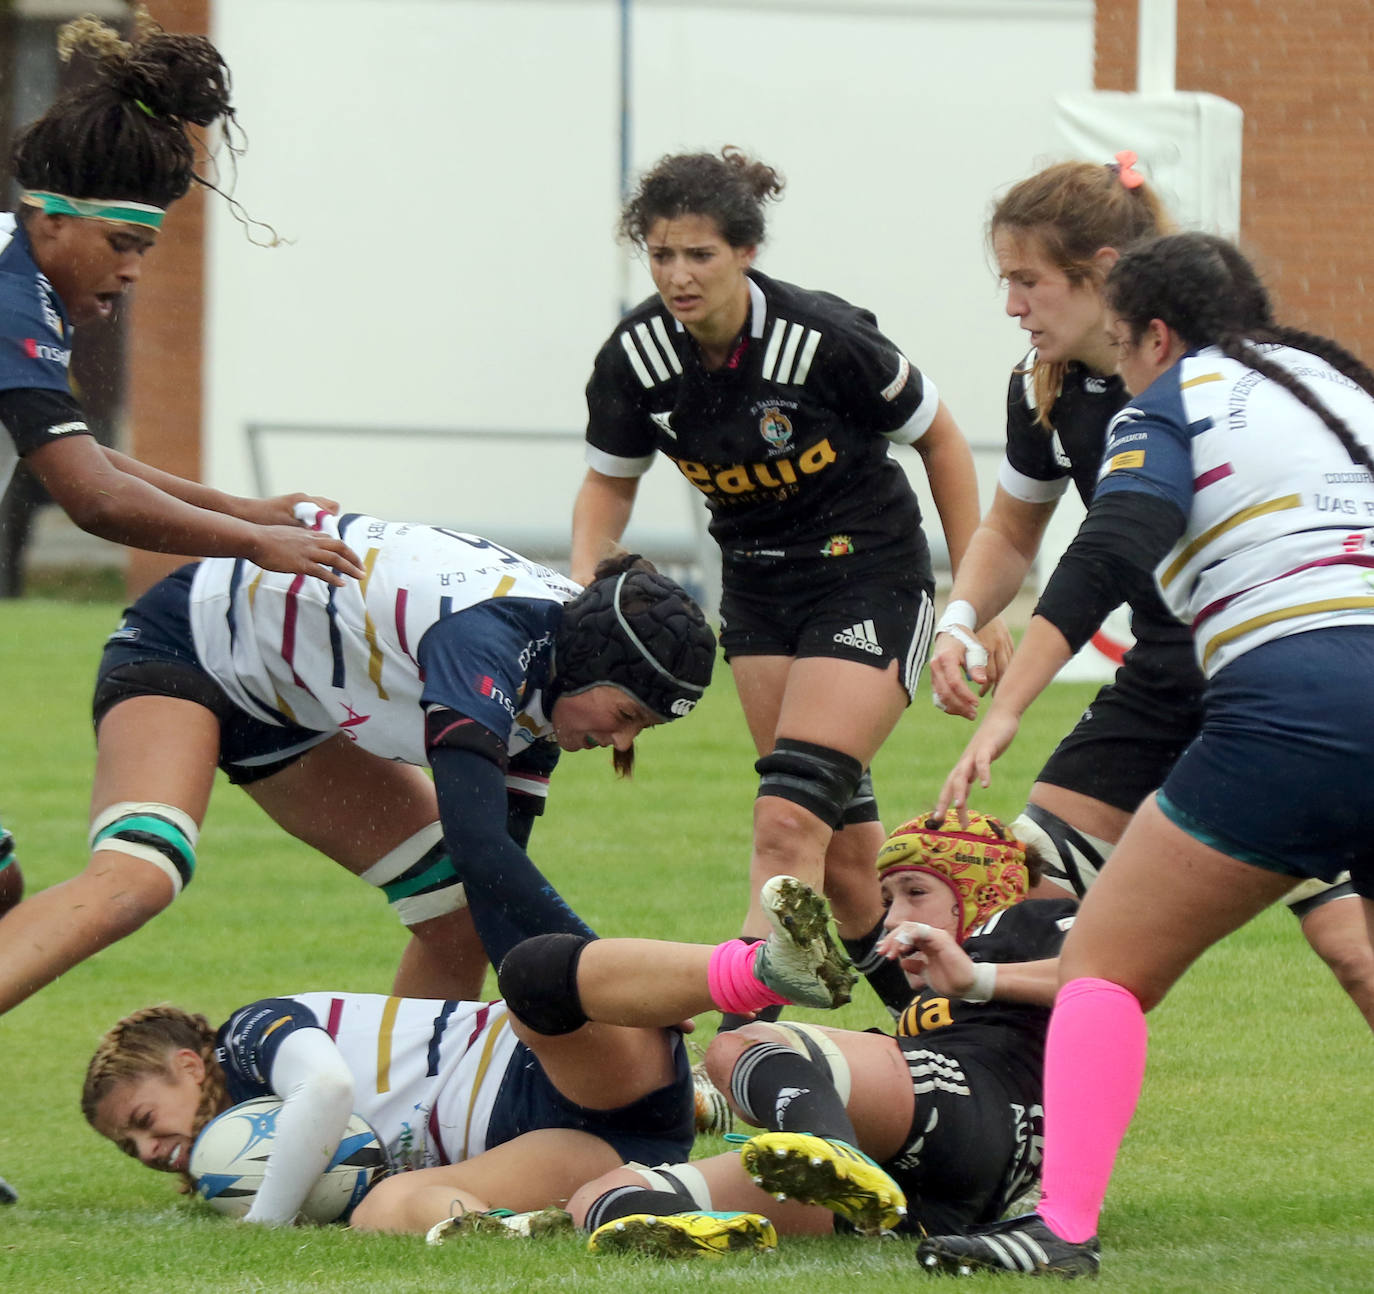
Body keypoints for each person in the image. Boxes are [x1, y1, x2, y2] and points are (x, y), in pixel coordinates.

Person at [917, 232, 1374, 1277]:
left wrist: (1006, 709)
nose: (1118, 368)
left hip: (1290, 707)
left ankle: (1060, 1226)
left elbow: (1115, 543)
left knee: (1102, 965)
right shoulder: (1345, 387)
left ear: (1156, 334)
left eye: (1123, 345)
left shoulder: (1174, 397)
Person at [927, 156, 1374, 1029]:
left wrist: (1009, 707)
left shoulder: (1221, 379)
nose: (1012, 305)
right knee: (1035, 898)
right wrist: (960, 619)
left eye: (1028, 280)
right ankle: (1000, 1127)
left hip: (1275, 679)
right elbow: (1013, 531)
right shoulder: (1042, 389)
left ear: (1101, 276)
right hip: (1167, 671)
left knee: (1350, 950)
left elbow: (1110, 552)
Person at [571, 147, 1008, 1017]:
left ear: (746, 253)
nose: (679, 275)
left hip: (870, 582)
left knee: (785, 826)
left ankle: (741, 1049)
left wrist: (975, 598)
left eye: (700, 254)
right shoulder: (636, 357)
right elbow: (607, 486)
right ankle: (948, 1040)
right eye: (661, 255)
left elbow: (943, 440)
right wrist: (588, 593)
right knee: (847, 875)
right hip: (760, 598)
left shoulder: (825, 339)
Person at [0, 507, 716, 1018]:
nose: (621, 745)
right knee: (141, 872)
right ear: (590, 663)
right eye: (626, 717)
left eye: (643, 731)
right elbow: (480, 844)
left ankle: (396, 1124)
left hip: (290, 706)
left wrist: (605, 996)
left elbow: (495, 892)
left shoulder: (558, 676)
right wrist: (610, 973)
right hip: (189, 643)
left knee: (461, 913)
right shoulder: (490, 642)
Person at [0, 13, 364, 927]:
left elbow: (81, 454)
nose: (132, 272)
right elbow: (87, 495)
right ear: (52, 216)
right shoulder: (14, 293)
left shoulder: (19, 271)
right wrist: (253, 541)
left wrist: (243, 508)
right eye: (125, 244)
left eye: (146, 249)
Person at [83, 874, 855, 1231]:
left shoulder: (248, 1038)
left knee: (532, 977)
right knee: (385, 1214)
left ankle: (757, 968)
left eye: (146, 1120)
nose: (150, 1148)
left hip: (540, 1064)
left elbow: (324, 1091)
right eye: (132, 1146)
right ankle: (575, 1219)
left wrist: (268, 1221)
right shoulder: (233, 1159)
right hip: (575, 1147)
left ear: (191, 1064)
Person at [567, 811, 1077, 1258]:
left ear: (983, 891)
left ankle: (831, 1149)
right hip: (930, 1194)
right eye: (888, 899)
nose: (893, 919)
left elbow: (1113, 980)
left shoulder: (1030, 919)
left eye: (915, 893)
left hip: (980, 1103)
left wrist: (979, 978)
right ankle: (717, 1228)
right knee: (603, 1197)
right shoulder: (931, 999)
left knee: (742, 1043)